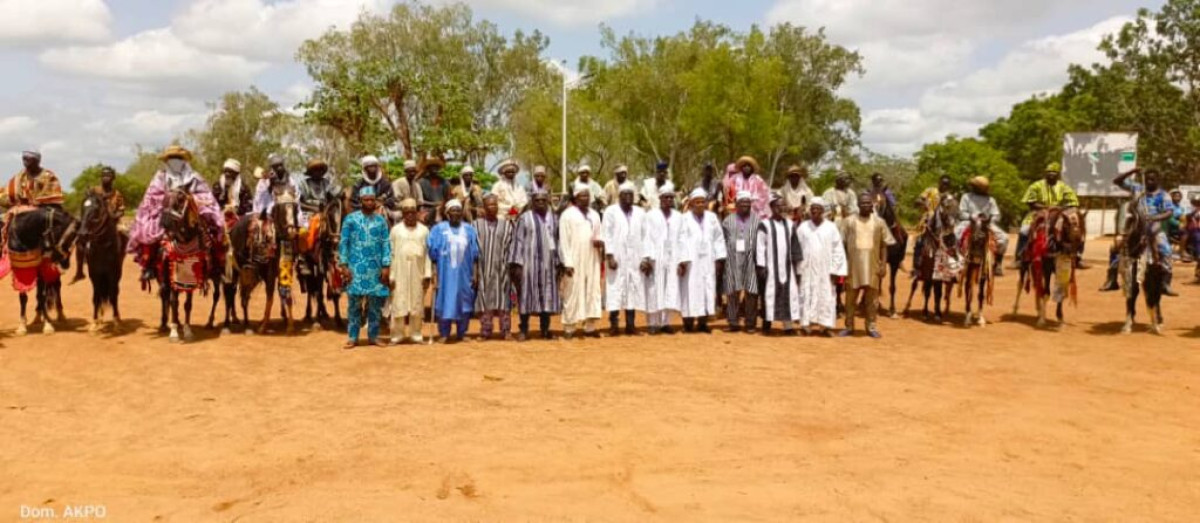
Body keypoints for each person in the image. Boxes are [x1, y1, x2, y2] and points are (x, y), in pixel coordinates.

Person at [127, 145, 223, 283]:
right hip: (165, 211)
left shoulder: (194, 177)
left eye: (178, 158)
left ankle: (215, 267)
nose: (175, 161)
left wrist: (192, 199)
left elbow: (206, 195)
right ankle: (149, 267)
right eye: (172, 158)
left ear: (183, 160)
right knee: (149, 231)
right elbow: (151, 197)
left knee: (211, 231)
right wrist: (168, 198)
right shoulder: (160, 177)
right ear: (167, 160)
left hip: (191, 211)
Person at [338, 186, 391, 349]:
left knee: (375, 305)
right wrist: (344, 265)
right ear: (360, 201)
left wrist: (386, 265)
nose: (369, 202)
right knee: (354, 305)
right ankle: (352, 337)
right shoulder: (350, 219)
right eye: (366, 200)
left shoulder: (381, 221)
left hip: (375, 269)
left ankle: (373, 336)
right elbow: (343, 243)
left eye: (372, 200)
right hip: (355, 269)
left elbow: (386, 244)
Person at [838, 193, 896, 338]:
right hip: (853, 267)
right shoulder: (848, 222)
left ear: (872, 205)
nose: (865, 205)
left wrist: (883, 265)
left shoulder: (879, 222)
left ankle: (871, 326)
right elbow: (841, 245)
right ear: (858, 205)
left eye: (868, 203)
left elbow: (884, 245)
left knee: (872, 300)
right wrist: (842, 265)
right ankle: (849, 326)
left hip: (872, 266)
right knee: (850, 299)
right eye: (862, 203)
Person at [508, 189, 561, 341]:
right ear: (532, 202)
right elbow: (517, 241)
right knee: (526, 297)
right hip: (529, 265)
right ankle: (524, 329)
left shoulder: (554, 219)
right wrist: (517, 264)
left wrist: (559, 262)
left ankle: (545, 329)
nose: (540, 203)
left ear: (548, 201)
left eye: (543, 200)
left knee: (547, 297)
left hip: (549, 266)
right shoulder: (524, 218)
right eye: (537, 200)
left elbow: (558, 241)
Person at [1114, 168, 1176, 296]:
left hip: (1153, 227)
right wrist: (1132, 171)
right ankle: (1112, 278)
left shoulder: (1164, 195)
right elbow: (1117, 181)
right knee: (1117, 246)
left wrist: (1154, 217)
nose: (1149, 182)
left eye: (1152, 179)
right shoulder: (1137, 188)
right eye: (1147, 179)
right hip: (1135, 225)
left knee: (1166, 251)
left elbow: (1169, 212)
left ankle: (1165, 283)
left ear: (1158, 180)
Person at [428, 199, 480, 343]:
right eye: (453, 210)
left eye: (458, 210)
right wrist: (434, 273)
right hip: (445, 275)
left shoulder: (469, 229)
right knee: (445, 301)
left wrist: (475, 273)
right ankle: (444, 333)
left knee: (464, 301)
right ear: (447, 213)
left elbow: (475, 254)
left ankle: (462, 332)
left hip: (465, 274)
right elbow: (432, 254)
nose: (456, 213)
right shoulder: (438, 229)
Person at [558, 183, 604, 339]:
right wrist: (567, 262)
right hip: (574, 258)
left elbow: (599, 234)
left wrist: (600, 242)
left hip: (592, 257)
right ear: (576, 197)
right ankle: (569, 327)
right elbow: (564, 240)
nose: (585, 198)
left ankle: (590, 327)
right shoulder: (567, 215)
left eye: (587, 195)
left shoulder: (595, 214)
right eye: (582, 195)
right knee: (572, 291)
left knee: (592, 290)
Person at [601, 181, 647, 336]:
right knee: (615, 290)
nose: (628, 197)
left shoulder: (640, 213)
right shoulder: (611, 211)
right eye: (625, 194)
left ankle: (630, 325)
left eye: (630, 194)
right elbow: (606, 234)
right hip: (617, 257)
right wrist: (610, 256)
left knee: (632, 289)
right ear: (619, 196)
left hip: (635, 258)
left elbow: (645, 236)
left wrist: (645, 258)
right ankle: (614, 325)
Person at [795, 198, 846, 336]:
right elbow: (797, 249)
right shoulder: (803, 227)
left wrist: (835, 270)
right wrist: (798, 270)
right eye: (813, 208)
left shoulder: (831, 227)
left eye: (818, 208)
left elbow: (837, 249)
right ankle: (805, 325)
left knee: (826, 296)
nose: (815, 211)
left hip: (826, 270)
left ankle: (825, 327)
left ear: (823, 210)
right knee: (806, 295)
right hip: (807, 269)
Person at [678, 188, 726, 333]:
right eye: (697, 202)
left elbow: (718, 238)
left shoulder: (712, 218)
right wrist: (683, 260)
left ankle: (703, 323)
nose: (700, 204)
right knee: (690, 290)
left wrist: (719, 258)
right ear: (691, 203)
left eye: (702, 202)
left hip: (708, 260)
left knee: (707, 289)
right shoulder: (684, 218)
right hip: (691, 262)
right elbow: (681, 240)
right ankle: (688, 323)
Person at [643, 183, 685, 335]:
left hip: (672, 256)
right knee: (654, 289)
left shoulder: (679, 217)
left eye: (671, 197)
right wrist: (647, 258)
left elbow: (682, 239)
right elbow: (646, 237)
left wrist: (682, 260)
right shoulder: (651, 216)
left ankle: (666, 322)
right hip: (656, 257)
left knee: (670, 289)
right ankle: (653, 323)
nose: (668, 200)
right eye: (665, 197)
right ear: (660, 198)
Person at [757, 193, 802, 335]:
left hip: (788, 268)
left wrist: (797, 268)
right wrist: (761, 266)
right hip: (770, 268)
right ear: (771, 207)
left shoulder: (790, 224)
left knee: (789, 294)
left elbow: (795, 247)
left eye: (783, 205)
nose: (781, 208)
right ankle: (766, 325)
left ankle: (788, 327)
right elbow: (760, 247)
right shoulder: (764, 225)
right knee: (769, 295)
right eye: (778, 205)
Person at [388, 198, 431, 344]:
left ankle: (416, 334)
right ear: (403, 214)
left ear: (417, 213)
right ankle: (397, 335)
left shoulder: (424, 230)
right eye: (407, 212)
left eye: (413, 212)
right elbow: (391, 253)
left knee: (417, 302)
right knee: (398, 301)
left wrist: (427, 274)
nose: (410, 215)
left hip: (418, 271)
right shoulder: (395, 230)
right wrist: (391, 275)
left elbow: (428, 254)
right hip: (399, 270)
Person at [73, 165, 127, 282]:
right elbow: (87, 204)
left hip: (113, 221)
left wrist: (115, 216)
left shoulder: (117, 194)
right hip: (95, 222)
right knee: (80, 239)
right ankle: (79, 270)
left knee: (125, 234)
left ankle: (120, 257)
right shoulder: (94, 190)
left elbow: (122, 210)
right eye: (104, 175)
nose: (105, 178)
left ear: (113, 178)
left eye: (108, 175)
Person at [1016, 163, 1079, 261]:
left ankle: (1078, 256)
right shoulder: (1036, 185)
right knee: (1024, 231)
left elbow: (1073, 202)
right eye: (1049, 173)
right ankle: (1019, 256)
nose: (1051, 176)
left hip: (1058, 214)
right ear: (1045, 174)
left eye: (1054, 173)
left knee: (1075, 231)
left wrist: (1060, 208)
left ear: (1058, 175)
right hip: (1037, 213)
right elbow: (1030, 202)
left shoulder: (1064, 187)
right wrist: (1046, 207)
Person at [474, 194, 515, 341]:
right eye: (489, 205)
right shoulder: (476, 225)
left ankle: (506, 330)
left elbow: (511, 247)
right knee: (485, 300)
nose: (492, 207)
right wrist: (475, 271)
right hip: (483, 269)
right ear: (484, 208)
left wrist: (510, 267)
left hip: (502, 270)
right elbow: (473, 249)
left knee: (504, 300)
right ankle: (485, 331)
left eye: (494, 205)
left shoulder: (507, 225)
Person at [721, 191, 762, 333]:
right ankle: (733, 322)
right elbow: (722, 241)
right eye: (742, 202)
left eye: (747, 202)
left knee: (751, 292)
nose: (745, 205)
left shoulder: (757, 220)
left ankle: (750, 323)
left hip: (752, 260)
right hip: (732, 260)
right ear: (736, 204)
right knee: (732, 291)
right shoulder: (727, 221)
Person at [296, 158, 343, 276]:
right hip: (308, 212)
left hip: (326, 212)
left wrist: (340, 193)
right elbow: (300, 202)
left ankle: (336, 249)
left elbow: (335, 194)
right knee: (304, 231)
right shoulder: (303, 184)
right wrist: (315, 208)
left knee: (337, 218)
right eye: (315, 170)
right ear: (311, 172)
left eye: (320, 170)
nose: (318, 172)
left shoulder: (326, 183)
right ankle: (303, 257)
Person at [956, 176, 1008, 276]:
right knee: (955, 235)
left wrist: (990, 219)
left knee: (1004, 238)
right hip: (969, 222)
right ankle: (957, 261)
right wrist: (971, 217)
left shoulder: (990, 200)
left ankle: (998, 263)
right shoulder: (966, 197)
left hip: (986, 224)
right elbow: (961, 213)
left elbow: (996, 214)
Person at [419, 158, 450, 224]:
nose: (435, 168)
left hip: (442, 207)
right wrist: (434, 204)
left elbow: (447, 197)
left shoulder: (444, 182)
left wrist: (442, 204)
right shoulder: (421, 182)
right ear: (428, 169)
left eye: (436, 167)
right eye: (432, 167)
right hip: (427, 207)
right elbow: (420, 200)